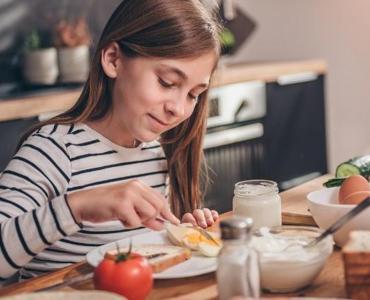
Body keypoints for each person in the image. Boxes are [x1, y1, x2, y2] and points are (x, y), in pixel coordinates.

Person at [0, 0, 221, 283]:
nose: (178, 108)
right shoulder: (53, 151)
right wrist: (76, 206)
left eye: (193, 94)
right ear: (113, 60)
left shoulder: (155, 154)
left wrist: (179, 237)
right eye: (167, 82)